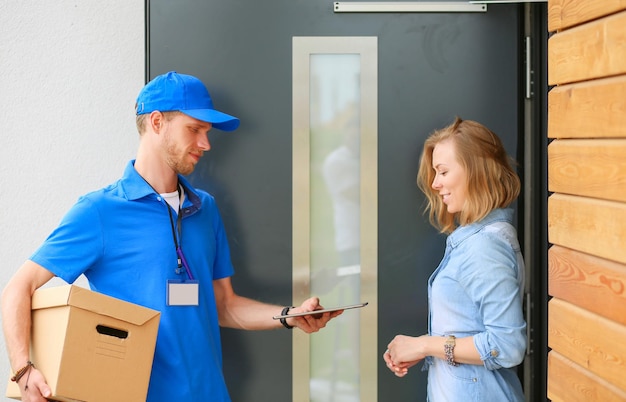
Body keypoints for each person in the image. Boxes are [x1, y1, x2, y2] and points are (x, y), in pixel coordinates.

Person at [2, 71, 342, 402]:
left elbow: (224, 305)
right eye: (194, 129)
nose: (206, 144)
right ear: (156, 123)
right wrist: (23, 370)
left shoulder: (204, 208)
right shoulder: (99, 212)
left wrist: (289, 316)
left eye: (208, 132)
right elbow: (19, 288)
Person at [383, 117, 527, 401]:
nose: (435, 184)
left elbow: (507, 345)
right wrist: (422, 350)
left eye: (443, 171)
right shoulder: (474, 239)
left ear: (476, 172)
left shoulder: (483, 247)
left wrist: (425, 346)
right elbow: (466, 328)